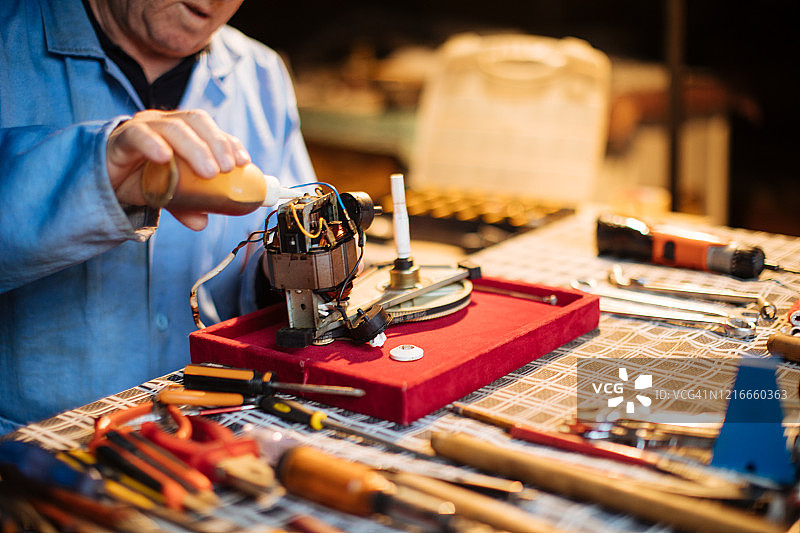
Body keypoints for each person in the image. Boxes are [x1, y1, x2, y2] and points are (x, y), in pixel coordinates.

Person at [0, 0, 315, 434]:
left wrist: (285, 272)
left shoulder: (261, 74)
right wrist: (96, 172)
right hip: (34, 451)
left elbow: (272, 243)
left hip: (206, 427)